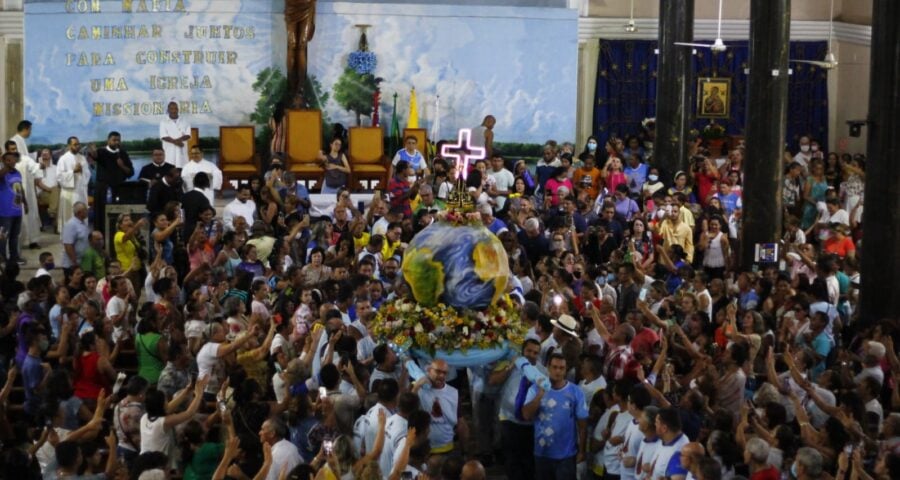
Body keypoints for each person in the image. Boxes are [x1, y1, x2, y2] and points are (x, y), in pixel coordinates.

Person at [521, 353, 588, 480]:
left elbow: (582, 425)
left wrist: (582, 451)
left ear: (566, 369)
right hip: (542, 453)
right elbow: (526, 415)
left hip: (567, 455)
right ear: (548, 367)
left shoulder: (576, 392)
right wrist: (540, 395)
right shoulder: (535, 389)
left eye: (561, 368)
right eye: (555, 367)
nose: (558, 371)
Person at [94, 131, 135, 233]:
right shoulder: (101, 152)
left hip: (119, 189)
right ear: (108, 141)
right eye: (114, 140)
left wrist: (122, 166)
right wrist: (92, 150)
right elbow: (93, 156)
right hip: (103, 190)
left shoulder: (122, 153)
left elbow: (131, 172)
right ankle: (101, 237)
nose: (116, 142)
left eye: (118, 140)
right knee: (101, 215)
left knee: (118, 215)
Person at [56, 136, 90, 234]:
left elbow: (88, 174)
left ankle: (82, 234)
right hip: (69, 193)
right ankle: (68, 236)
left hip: (80, 191)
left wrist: (82, 171)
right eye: (75, 144)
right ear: (69, 145)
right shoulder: (63, 159)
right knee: (69, 216)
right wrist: (73, 171)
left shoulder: (82, 158)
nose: (78, 146)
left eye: (78, 144)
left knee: (81, 214)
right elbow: (59, 177)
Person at [0, 151, 25, 264]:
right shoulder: (2, 173)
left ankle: (14, 257)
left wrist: (26, 202)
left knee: (15, 237)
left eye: (14, 159)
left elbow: (20, 188)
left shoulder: (18, 173)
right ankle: (2, 257)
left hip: (17, 210)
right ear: (4, 161)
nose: (13, 161)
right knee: (4, 236)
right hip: (5, 212)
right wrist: (6, 166)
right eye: (9, 159)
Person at [159, 101, 192, 167]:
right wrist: (176, 142)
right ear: (168, 110)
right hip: (169, 153)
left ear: (178, 109)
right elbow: (164, 136)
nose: (173, 111)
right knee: (169, 171)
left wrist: (177, 141)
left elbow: (188, 135)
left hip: (182, 153)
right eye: (171, 109)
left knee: (182, 171)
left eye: (175, 108)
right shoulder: (163, 122)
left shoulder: (185, 121)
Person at [61, 202, 91, 271]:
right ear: (79, 212)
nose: (87, 211)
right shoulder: (71, 225)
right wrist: (75, 262)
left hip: (82, 262)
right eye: (85, 210)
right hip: (72, 265)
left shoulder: (83, 223)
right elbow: (68, 245)